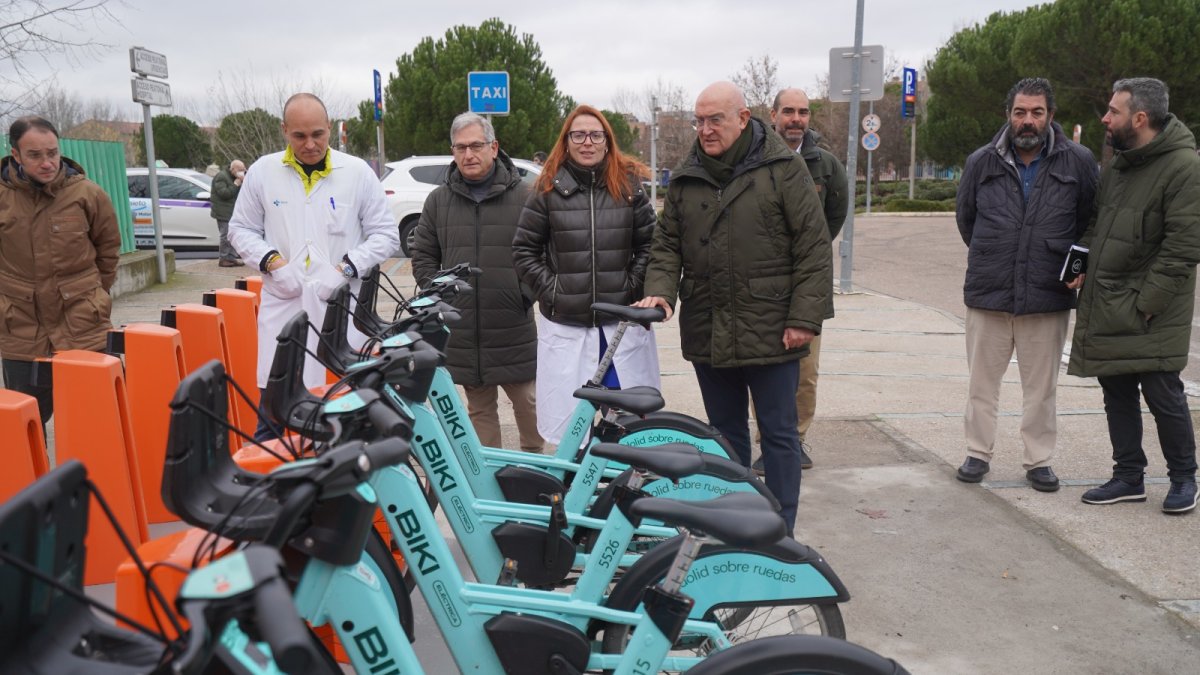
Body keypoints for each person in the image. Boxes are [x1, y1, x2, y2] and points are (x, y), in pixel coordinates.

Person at [635, 82, 832, 533]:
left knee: (779, 435)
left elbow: (814, 246)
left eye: (715, 120)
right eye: (699, 121)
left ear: (743, 119)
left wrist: (804, 317)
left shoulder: (784, 168)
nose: (705, 129)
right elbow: (667, 243)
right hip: (709, 326)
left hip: (774, 328)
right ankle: (732, 520)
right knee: (722, 435)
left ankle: (778, 530)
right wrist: (662, 289)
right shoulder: (687, 177)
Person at [954, 78, 1099, 492]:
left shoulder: (1079, 161)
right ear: (1008, 116)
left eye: (1037, 112)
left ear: (1050, 116)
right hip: (989, 292)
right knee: (981, 383)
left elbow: (1090, 218)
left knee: (1041, 389)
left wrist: (1078, 259)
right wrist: (993, 253)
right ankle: (977, 453)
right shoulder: (980, 161)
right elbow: (967, 220)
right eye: (1020, 112)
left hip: (1047, 293)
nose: (1028, 120)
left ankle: (1038, 460)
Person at [228, 93, 398, 437]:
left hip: (340, 309)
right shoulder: (263, 172)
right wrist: (272, 261)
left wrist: (345, 269)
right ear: (284, 130)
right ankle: (272, 486)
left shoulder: (357, 174)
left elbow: (385, 235)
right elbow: (240, 229)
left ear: (330, 130)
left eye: (318, 134)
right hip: (284, 304)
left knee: (343, 412)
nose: (310, 144)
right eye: (300, 136)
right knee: (274, 417)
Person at [1067, 77, 1200, 514]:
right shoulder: (1120, 165)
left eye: (1114, 111)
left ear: (1140, 118)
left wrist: (1146, 304)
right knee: (1116, 389)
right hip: (1108, 299)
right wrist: (1080, 264)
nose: (1105, 118)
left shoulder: (1184, 167)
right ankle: (1128, 476)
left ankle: (1184, 478)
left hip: (1150, 310)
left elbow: (1184, 247)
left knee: (1163, 394)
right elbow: (1097, 225)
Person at [512, 104, 658, 445]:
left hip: (619, 328)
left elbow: (651, 245)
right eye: (578, 135)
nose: (587, 142)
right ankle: (572, 491)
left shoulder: (629, 187)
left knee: (626, 428)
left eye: (596, 134)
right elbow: (523, 250)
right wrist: (556, 290)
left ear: (607, 141)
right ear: (567, 141)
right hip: (566, 326)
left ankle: (621, 491)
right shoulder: (547, 191)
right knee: (569, 430)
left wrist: (630, 285)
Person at [410, 112, 543, 452]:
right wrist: (441, 296)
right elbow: (423, 256)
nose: (468, 154)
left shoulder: (525, 197)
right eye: (460, 147)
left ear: (494, 147)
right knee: (480, 410)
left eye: (476, 146)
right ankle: (494, 484)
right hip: (463, 329)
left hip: (512, 325)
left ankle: (537, 474)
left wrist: (523, 294)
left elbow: (544, 253)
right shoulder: (439, 201)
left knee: (529, 404)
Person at [0, 116, 120, 425]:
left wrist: (94, 293)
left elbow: (108, 250)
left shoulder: (87, 195)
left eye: (52, 153)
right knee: (25, 426)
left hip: (83, 325)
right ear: (16, 155)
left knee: (99, 420)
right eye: (35, 155)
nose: (47, 163)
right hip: (21, 331)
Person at [763, 87, 848, 472]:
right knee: (762, 367)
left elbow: (833, 218)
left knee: (805, 372)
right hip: (761, 283)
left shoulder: (826, 166)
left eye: (803, 112)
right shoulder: (753, 160)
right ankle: (769, 441)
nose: (796, 119)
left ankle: (796, 439)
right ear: (773, 114)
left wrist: (806, 257)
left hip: (807, 286)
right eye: (789, 111)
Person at [210, 159, 246, 267]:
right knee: (225, 236)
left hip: (233, 211)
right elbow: (224, 194)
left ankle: (231, 258)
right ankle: (224, 258)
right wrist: (235, 185)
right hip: (223, 211)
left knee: (233, 236)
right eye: (239, 170)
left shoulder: (235, 177)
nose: (241, 172)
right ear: (233, 169)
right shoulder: (221, 177)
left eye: (243, 170)